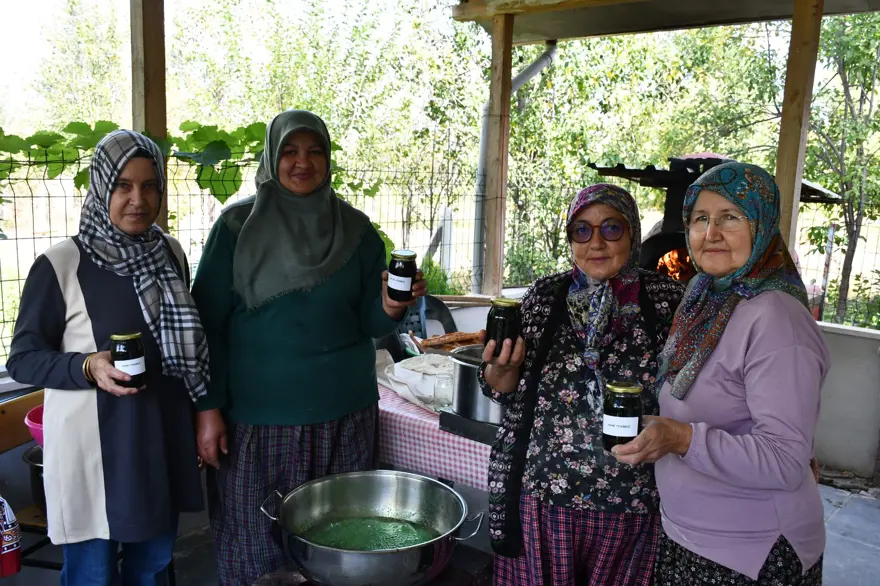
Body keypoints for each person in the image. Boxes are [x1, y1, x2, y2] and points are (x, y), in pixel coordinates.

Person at [191, 109, 426, 585]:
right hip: (258, 424)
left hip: (345, 416)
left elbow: (369, 322)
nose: (303, 163)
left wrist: (392, 307)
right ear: (272, 157)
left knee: (340, 544)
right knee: (257, 546)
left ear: (329, 159)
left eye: (315, 151)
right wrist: (208, 409)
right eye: (290, 152)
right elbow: (206, 326)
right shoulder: (236, 228)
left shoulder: (358, 232)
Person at [612, 161, 829, 586]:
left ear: (761, 224)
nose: (711, 233)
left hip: (752, 551)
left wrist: (681, 437)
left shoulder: (775, 317)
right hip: (692, 536)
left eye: (730, 217)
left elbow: (786, 460)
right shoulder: (705, 297)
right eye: (700, 219)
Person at [7, 130, 208, 585]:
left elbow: (184, 347)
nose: (138, 199)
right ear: (101, 188)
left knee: (151, 567)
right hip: (93, 452)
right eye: (122, 185)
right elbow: (23, 359)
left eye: (149, 184)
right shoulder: (61, 264)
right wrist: (87, 365)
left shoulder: (170, 254)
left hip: (156, 439)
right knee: (91, 574)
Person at [480, 184, 685, 586]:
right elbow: (499, 389)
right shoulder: (544, 296)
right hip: (543, 497)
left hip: (632, 501)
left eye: (611, 229)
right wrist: (502, 372)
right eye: (582, 230)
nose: (596, 242)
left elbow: (698, 387)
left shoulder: (665, 301)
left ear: (633, 234)